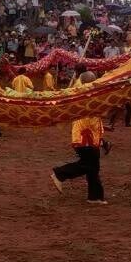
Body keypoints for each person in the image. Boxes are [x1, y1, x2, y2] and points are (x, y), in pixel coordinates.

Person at [49, 71, 111, 204]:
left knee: (93, 168)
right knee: (88, 165)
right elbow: (100, 113)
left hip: (89, 136)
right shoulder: (86, 96)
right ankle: (59, 173)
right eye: (94, 80)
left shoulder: (85, 94)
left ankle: (95, 197)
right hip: (85, 137)